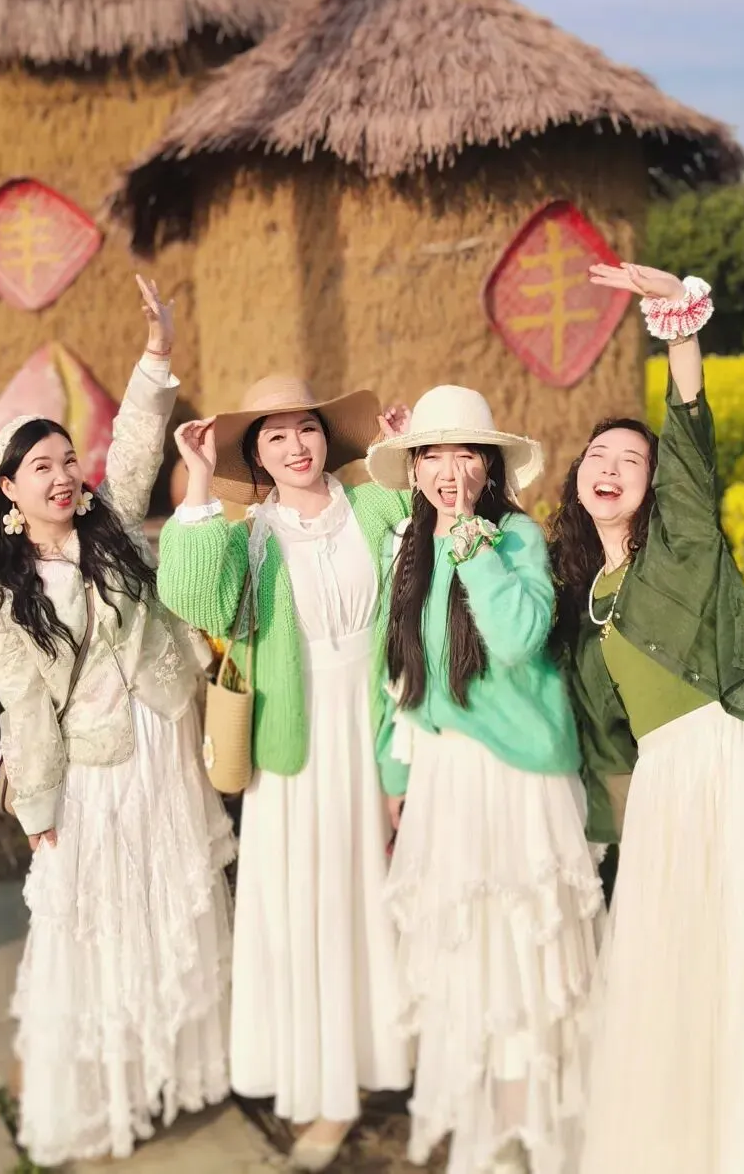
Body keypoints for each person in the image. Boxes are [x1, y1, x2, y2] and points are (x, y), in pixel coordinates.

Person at [549, 263, 744, 1174]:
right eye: (598, 457)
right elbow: (607, 744)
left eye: (631, 459)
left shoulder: (684, 540)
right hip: (665, 794)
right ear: (577, 479)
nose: (611, 468)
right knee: (675, 983)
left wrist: (676, 324)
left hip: (740, 767)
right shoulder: (583, 599)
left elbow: (688, 422)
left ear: (656, 484)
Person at [0, 277, 234, 1168]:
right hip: (96, 766)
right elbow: (25, 708)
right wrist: (39, 808)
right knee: (104, 924)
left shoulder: (110, 523)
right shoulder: (0, 594)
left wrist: (156, 355)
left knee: (170, 911)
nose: (61, 475)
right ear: (8, 488)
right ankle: (112, 1089)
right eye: (40, 467)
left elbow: (139, 443)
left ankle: (174, 1073)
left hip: (164, 741)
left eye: (66, 459)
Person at [159, 377, 414, 1172]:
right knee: (309, 903)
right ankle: (325, 1087)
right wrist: (199, 480)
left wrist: (405, 455)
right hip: (295, 741)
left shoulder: (373, 504)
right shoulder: (253, 535)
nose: (296, 445)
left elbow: (433, 557)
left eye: (306, 428)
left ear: (327, 436)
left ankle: (393, 1056)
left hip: (376, 725)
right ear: (257, 456)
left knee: (379, 894)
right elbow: (193, 595)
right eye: (275, 436)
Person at [367, 385, 604, 1174]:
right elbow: (400, 668)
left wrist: (473, 543)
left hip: (516, 780)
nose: (448, 470)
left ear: (492, 466)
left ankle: (534, 1136)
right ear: (413, 467)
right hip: (445, 776)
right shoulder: (409, 544)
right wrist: (395, 768)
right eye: (431, 454)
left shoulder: (516, 537)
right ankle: (489, 1136)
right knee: (466, 956)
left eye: (466, 453)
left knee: (522, 961)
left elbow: (516, 637)